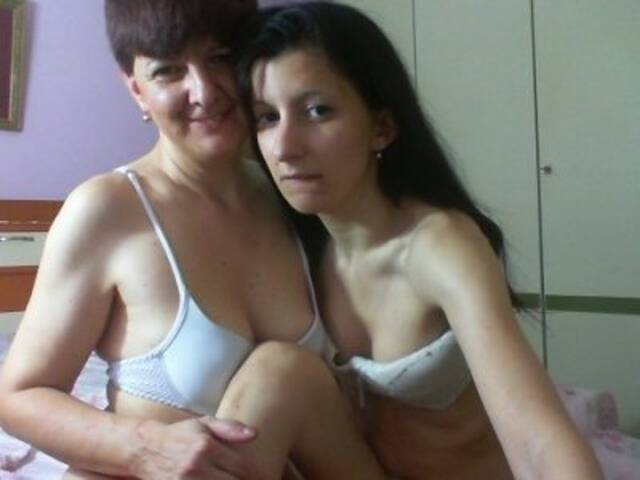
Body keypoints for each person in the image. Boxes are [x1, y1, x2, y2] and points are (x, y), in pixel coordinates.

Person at [0, 1, 386, 479]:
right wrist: (144, 446)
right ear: (137, 89)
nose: (203, 92)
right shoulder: (108, 210)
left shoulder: (297, 196)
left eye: (221, 57)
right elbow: (18, 397)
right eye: (169, 71)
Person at [237, 2, 605, 479]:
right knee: (273, 370)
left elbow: (538, 438)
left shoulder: (439, 245)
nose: (286, 147)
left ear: (381, 127)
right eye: (267, 117)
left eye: (317, 111)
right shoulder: (292, 246)